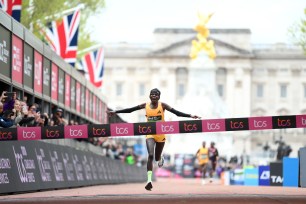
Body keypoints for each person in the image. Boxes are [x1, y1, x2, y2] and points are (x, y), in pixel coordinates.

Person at [107, 88, 200, 191]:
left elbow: (176, 113)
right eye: (152, 94)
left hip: (161, 135)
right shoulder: (145, 105)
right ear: (150, 96)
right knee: (150, 155)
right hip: (150, 133)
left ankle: (160, 158)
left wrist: (190, 116)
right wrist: (116, 111)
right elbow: (131, 109)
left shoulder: (163, 105)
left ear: (159, 97)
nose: (154, 96)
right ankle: (149, 180)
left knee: (156, 158)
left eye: (156, 95)